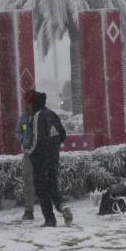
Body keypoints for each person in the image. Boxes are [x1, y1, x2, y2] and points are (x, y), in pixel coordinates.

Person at [28, 90, 72, 227]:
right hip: (53, 158)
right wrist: (54, 147)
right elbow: (62, 133)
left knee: (42, 189)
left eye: (29, 103)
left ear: (34, 103)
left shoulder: (38, 116)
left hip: (40, 159)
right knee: (53, 185)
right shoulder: (51, 114)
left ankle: (49, 219)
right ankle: (62, 206)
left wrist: (29, 151)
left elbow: (36, 140)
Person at [15, 90, 37, 220]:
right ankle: (29, 210)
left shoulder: (41, 115)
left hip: (40, 154)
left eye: (31, 102)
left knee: (43, 182)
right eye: (27, 102)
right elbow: (18, 131)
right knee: (28, 183)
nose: (29, 105)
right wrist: (23, 140)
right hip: (28, 155)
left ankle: (50, 208)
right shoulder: (23, 117)